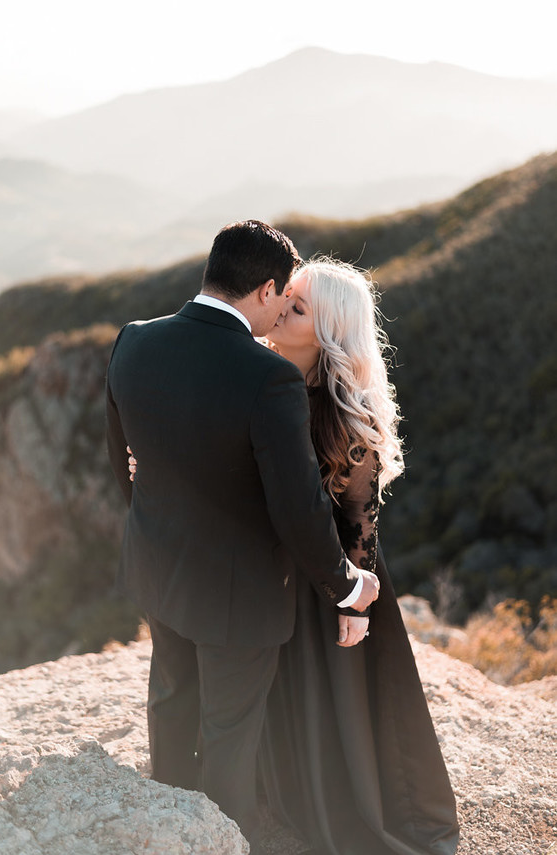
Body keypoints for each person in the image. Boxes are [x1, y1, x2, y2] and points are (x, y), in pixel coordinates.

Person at [126, 255, 460, 854]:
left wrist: (352, 603)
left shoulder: (344, 414)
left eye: (297, 307)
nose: (279, 306)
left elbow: (358, 518)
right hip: (259, 573)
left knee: (325, 707)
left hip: (324, 577)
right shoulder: (253, 373)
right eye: (284, 296)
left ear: (327, 332)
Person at [105, 221, 379, 854]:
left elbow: (122, 463)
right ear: (264, 289)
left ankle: (166, 828)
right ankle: (222, 842)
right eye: (284, 298)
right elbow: (296, 506)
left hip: (159, 566)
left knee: (171, 701)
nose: (285, 310)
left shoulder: (133, 341)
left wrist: (159, 529)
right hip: (240, 591)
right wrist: (343, 585)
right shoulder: (267, 377)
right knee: (229, 732)